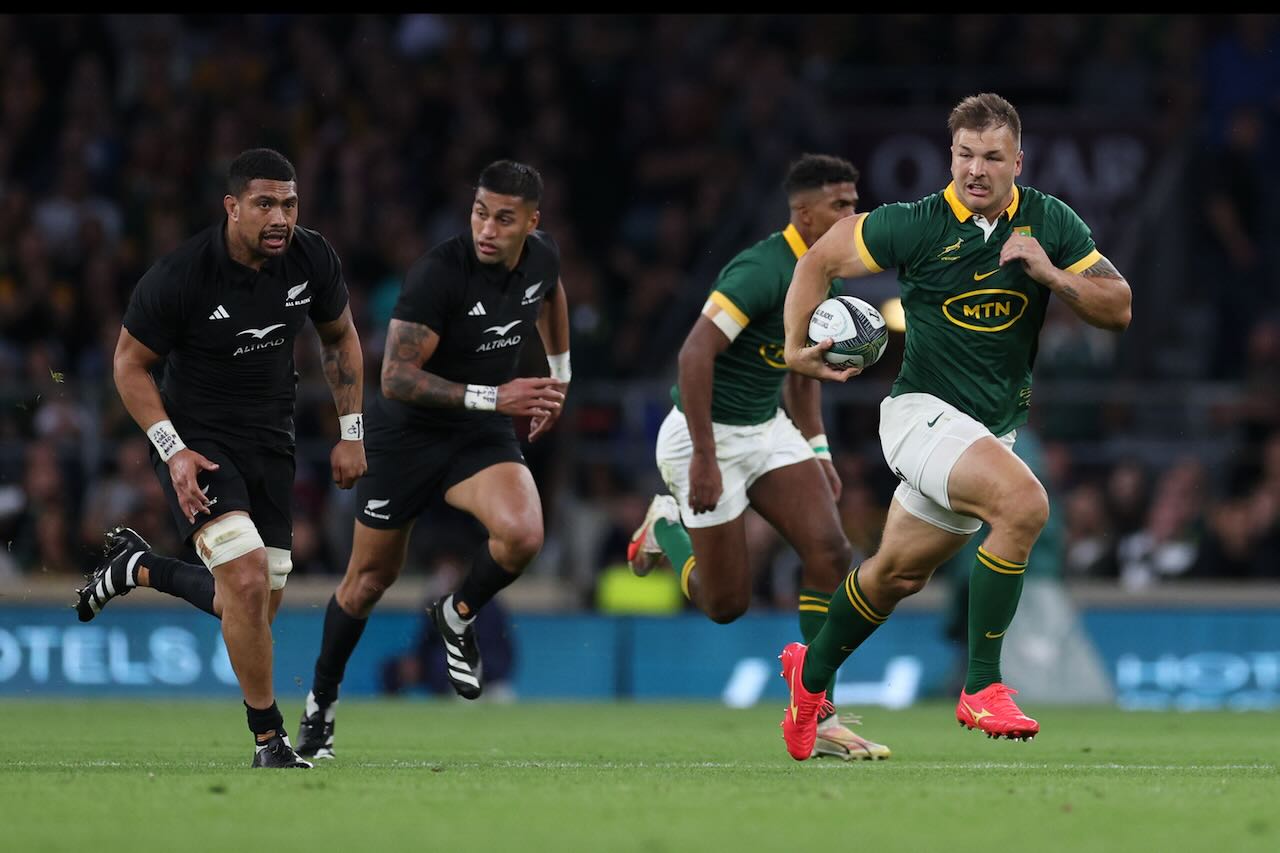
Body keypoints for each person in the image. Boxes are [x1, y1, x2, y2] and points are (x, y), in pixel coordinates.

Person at [778, 93, 1131, 759]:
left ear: (1017, 162)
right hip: (919, 417)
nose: (976, 169)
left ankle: (810, 678)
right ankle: (983, 686)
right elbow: (816, 260)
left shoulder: (1050, 222)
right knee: (1025, 504)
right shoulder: (915, 223)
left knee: (895, 576)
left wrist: (1049, 272)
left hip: (986, 434)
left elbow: (1118, 308)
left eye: (992, 157)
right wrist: (796, 347)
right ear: (950, 157)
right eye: (965, 154)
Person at [74, 148, 367, 769]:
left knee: (249, 604)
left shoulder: (312, 257)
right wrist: (172, 450)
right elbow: (128, 365)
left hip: (272, 443)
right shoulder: (182, 275)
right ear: (231, 207)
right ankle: (269, 741)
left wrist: (352, 430)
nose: (280, 217)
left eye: (289, 204)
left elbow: (339, 335)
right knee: (247, 578)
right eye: (264, 204)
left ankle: (140, 568)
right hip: (198, 444)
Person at [294, 160, 569, 759]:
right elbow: (394, 377)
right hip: (405, 438)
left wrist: (561, 374)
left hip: (477, 435)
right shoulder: (439, 274)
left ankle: (457, 614)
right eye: (480, 213)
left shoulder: (543, 257)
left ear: (531, 223)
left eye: (504, 219)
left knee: (523, 534)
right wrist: (497, 396)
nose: (487, 229)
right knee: (368, 582)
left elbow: (550, 296)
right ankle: (321, 704)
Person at [627, 154, 890, 760]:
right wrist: (704, 458)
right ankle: (664, 527)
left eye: (855, 204)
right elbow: (694, 355)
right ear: (803, 211)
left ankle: (819, 715)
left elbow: (801, 369)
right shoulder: (761, 268)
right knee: (726, 603)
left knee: (831, 551)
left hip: (766, 429)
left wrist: (817, 448)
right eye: (840, 205)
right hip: (703, 436)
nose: (853, 215)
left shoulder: (825, 274)